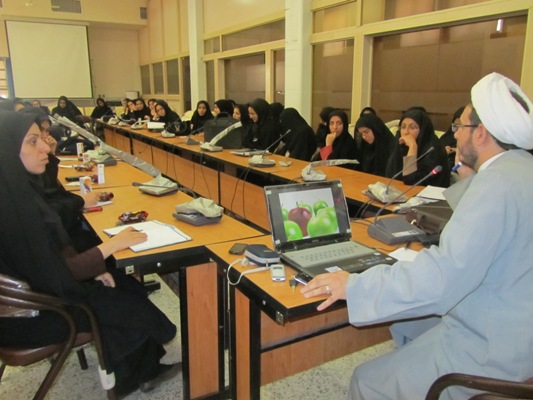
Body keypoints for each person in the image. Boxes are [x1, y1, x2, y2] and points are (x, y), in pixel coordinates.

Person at [301, 72, 533, 400]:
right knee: (405, 323)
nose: (455, 135)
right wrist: (473, 176)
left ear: (480, 134)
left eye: (459, 127)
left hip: (490, 349)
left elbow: (441, 280)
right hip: (512, 325)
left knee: (366, 380)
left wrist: (353, 285)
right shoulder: (520, 169)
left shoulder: (496, 184)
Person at [0, 110, 179, 398]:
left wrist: (94, 268)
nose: (45, 146)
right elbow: (60, 271)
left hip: (30, 300)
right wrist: (111, 246)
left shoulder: (15, 191)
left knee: (121, 284)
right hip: (32, 317)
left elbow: (51, 258)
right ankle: (137, 373)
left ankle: (138, 370)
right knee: (125, 300)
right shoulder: (15, 209)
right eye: (33, 141)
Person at [386, 108, 450, 187]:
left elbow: (410, 180)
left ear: (423, 130)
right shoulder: (401, 145)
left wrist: (413, 146)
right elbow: (390, 175)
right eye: (403, 127)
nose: (406, 132)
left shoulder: (433, 149)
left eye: (412, 127)